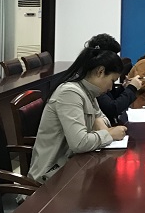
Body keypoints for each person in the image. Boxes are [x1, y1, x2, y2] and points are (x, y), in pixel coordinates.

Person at [28, 47, 128, 183]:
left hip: (72, 165)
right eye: (112, 80)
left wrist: (99, 122)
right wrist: (109, 134)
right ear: (100, 71)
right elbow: (79, 143)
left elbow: (103, 119)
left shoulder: (89, 91)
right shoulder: (70, 93)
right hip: (52, 175)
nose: (111, 88)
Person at [84, 33, 144, 125]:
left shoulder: (99, 76)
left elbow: (110, 98)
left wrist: (124, 88)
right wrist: (132, 88)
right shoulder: (91, 79)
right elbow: (112, 108)